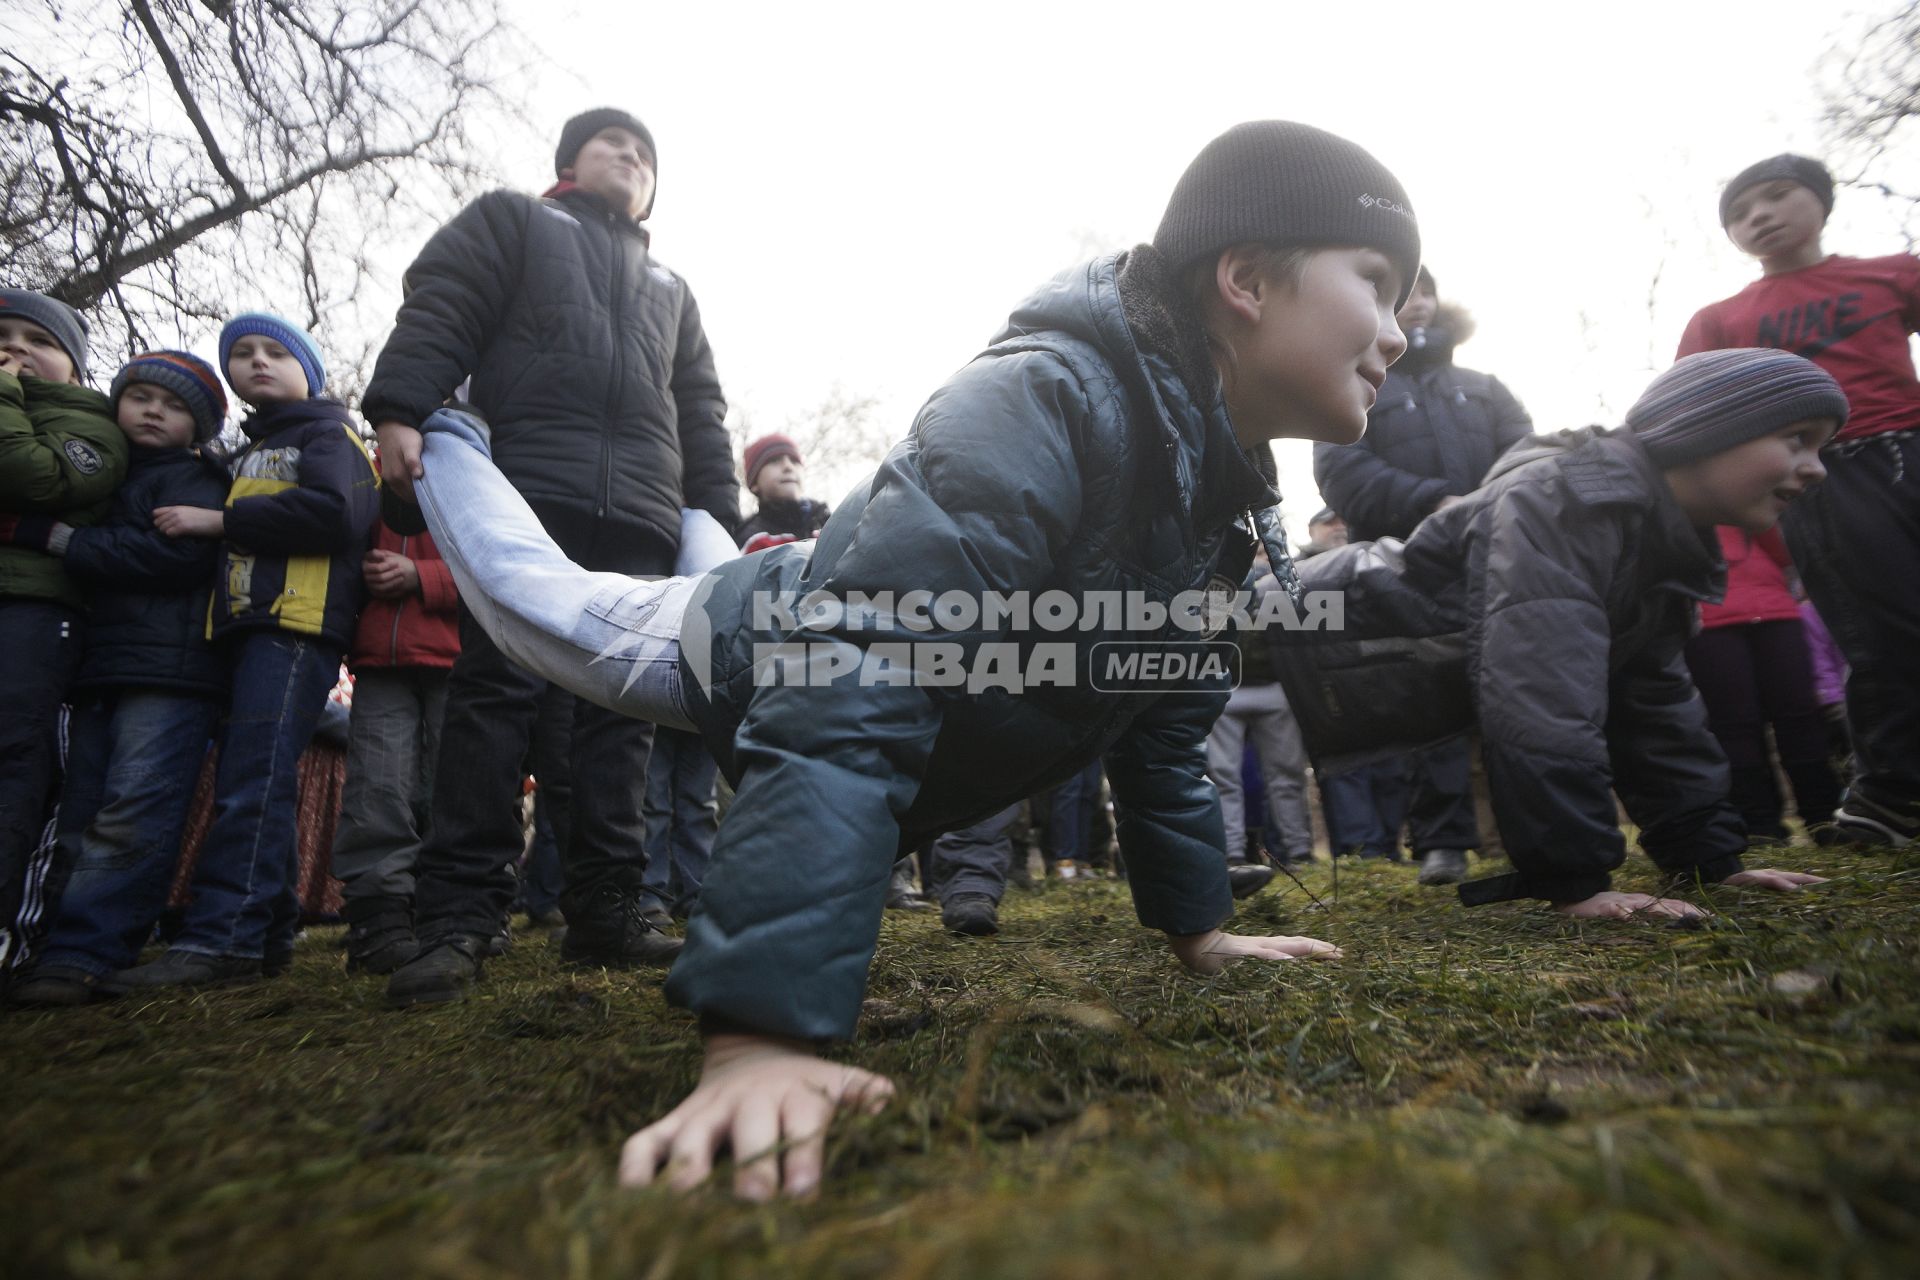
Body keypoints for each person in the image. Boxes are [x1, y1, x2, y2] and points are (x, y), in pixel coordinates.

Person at [405, 119, 1417, 1198]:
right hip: (760, 644)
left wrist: (1200, 929)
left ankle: (708, 528)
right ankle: (447, 436)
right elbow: (861, 662)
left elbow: (1164, 734)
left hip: (828, 579)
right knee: (535, 598)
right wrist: (764, 1034)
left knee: (704, 544)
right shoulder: (1047, 399)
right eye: (1378, 283)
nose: (1398, 333)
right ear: (1248, 278)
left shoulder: (1220, 510)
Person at [365, 107, 739, 999]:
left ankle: (610, 909)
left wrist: (719, 520)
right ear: (572, 159)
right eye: (615, 143)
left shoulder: (672, 289)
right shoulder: (516, 221)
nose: (632, 157)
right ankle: (460, 913)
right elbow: (445, 301)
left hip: (645, 519)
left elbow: (703, 413)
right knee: (495, 696)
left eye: (647, 154)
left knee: (625, 715)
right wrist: (400, 408)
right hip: (529, 498)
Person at [1274, 347, 1842, 917]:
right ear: (1708, 430)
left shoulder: (1657, 537)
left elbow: (1653, 705)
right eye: (1797, 438)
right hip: (1278, 622)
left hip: (1323, 639)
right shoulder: (1566, 501)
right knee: (1184, 676)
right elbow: (1540, 693)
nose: (1816, 466)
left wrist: (1710, 860)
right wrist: (1576, 879)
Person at [112, 313, 379, 990]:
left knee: (250, 782)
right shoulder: (247, 450)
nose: (257, 361)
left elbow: (334, 515)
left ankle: (221, 941)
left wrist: (222, 520)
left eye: (275, 352)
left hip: (294, 624)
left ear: (308, 372)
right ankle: (266, 933)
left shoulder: (328, 433)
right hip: (243, 626)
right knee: (255, 778)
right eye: (242, 354)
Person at [1677, 154, 1920, 847]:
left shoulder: (1892, 273)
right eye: (1740, 212)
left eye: (1776, 197)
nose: (1759, 215)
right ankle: (1891, 797)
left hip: (1912, 440)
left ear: (1819, 202)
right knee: (1882, 630)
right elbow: (1686, 403)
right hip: (1823, 472)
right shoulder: (1725, 318)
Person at [5, 352, 229, 1004]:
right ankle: (51, 946)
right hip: (96, 667)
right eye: (141, 397)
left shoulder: (194, 479)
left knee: (134, 812)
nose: (154, 410)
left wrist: (64, 543)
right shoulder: (102, 477)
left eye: (175, 405)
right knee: (75, 810)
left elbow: (178, 559)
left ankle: (89, 952)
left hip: (170, 673)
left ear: (200, 427)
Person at [1314, 265, 1532, 885]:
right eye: (1400, 295)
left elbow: (1527, 460)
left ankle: (1529, 828)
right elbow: (1343, 474)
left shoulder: (1486, 388)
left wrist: (1488, 511)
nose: (1416, 305)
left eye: (1425, 292)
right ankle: (1442, 840)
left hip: (1500, 557)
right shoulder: (1358, 385)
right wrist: (1436, 503)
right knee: (1427, 692)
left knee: (1514, 690)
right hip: (1405, 564)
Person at [0, 289, 131, 974]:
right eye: (4, 336)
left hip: (34, 610)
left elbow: (35, 476)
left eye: (37, 340)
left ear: (75, 368)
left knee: (17, 759)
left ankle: (11, 931)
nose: (18, 350)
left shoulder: (92, 428)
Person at [328, 492, 461, 974]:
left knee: (459, 788)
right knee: (375, 787)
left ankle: (460, 912)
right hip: (379, 658)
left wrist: (420, 576)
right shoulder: (369, 478)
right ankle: (377, 921)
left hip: (459, 657)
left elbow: (504, 562)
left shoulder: (476, 473)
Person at [1683, 525, 1842, 845]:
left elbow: (1784, 549)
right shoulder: (1679, 505)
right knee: (1739, 722)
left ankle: (1820, 816)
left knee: (1796, 715)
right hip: (1710, 616)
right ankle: (1762, 823)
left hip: (1774, 610)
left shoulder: (1744, 499)